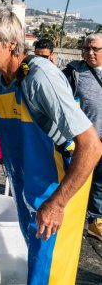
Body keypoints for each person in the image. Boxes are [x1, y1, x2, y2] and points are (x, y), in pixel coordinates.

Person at [0, 9, 102, 285]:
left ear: (11, 44)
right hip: (25, 181)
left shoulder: (40, 77)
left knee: (49, 273)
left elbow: (91, 146)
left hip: (58, 183)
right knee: (34, 261)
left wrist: (57, 203)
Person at [63, 33, 102, 241]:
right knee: (79, 178)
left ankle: (95, 220)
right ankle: (73, 218)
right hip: (85, 142)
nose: (90, 53)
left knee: (100, 183)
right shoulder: (74, 73)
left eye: (95, 49)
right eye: (86, 48)